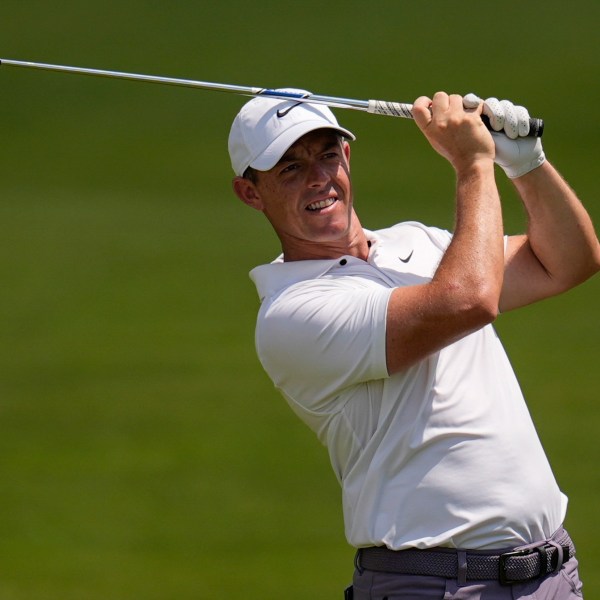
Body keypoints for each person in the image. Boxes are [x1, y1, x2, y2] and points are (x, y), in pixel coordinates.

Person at [227, 88, 600, 599]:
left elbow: (569, 262)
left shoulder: (415, 244)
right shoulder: (293, 313)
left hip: (552, 576)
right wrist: (473, 163)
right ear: (251, 193)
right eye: (289, 168)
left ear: (347, 156)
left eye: (327, 154)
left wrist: (528, 164)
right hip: (433, 587)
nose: (319, 178)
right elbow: (468, 301)